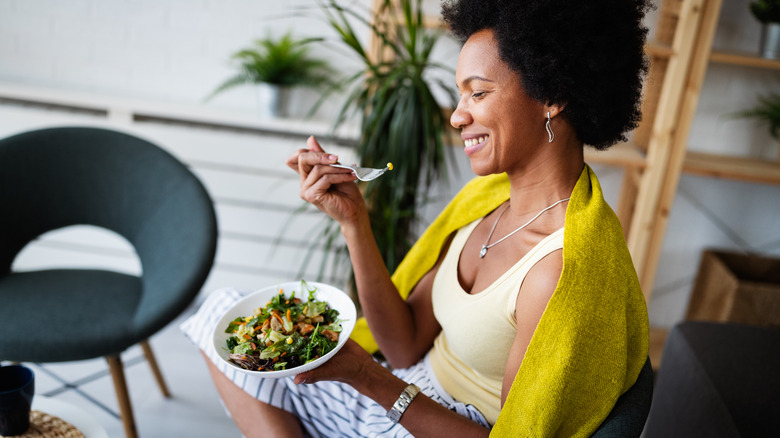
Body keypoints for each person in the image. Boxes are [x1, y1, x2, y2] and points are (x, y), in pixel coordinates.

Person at [181, 0, 652, 436]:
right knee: (220, 311)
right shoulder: (485, 201)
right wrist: (353, 221)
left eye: (478, 94)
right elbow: (404, 344)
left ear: (552, 95)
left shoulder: (560, 271)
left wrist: (367, 377)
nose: (457, 117)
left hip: (434, 421)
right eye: (459, 95)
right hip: (405, 384)